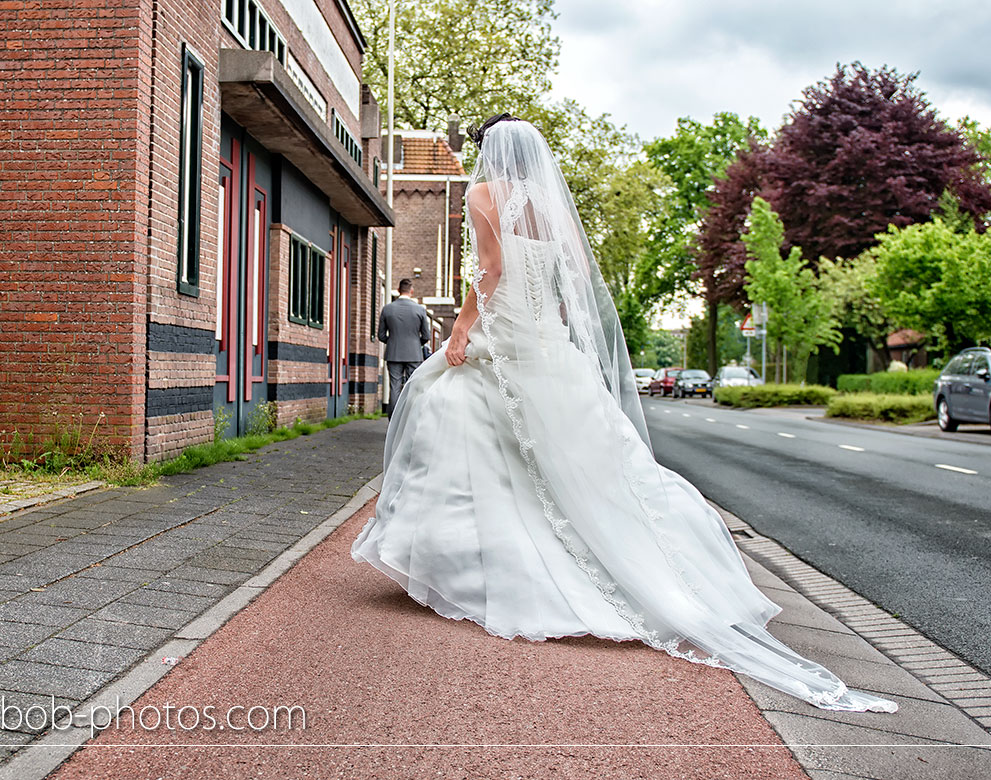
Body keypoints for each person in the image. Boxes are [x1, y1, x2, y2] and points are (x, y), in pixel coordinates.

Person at [351, 114, 896, 714]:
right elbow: (575, 276)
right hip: (545, 339)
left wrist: (460, 327)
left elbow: (492, 270)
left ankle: (472, 563)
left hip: (504, 335)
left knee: (452, 411)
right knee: (579, 452)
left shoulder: (482, 194)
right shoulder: (550, 207)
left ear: (488, 151)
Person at [378, 278, 431, 416]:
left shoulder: (387, 309)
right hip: (414, 354)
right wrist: (415, 343)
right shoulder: (420, 309)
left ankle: (393, 421)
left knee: (394, 387)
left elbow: (381, 335)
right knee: (412, 386)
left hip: (393, 353)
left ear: (398, 290)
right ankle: (408, 419)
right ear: (411, 291)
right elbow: (426, 335)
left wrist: (393, 341)